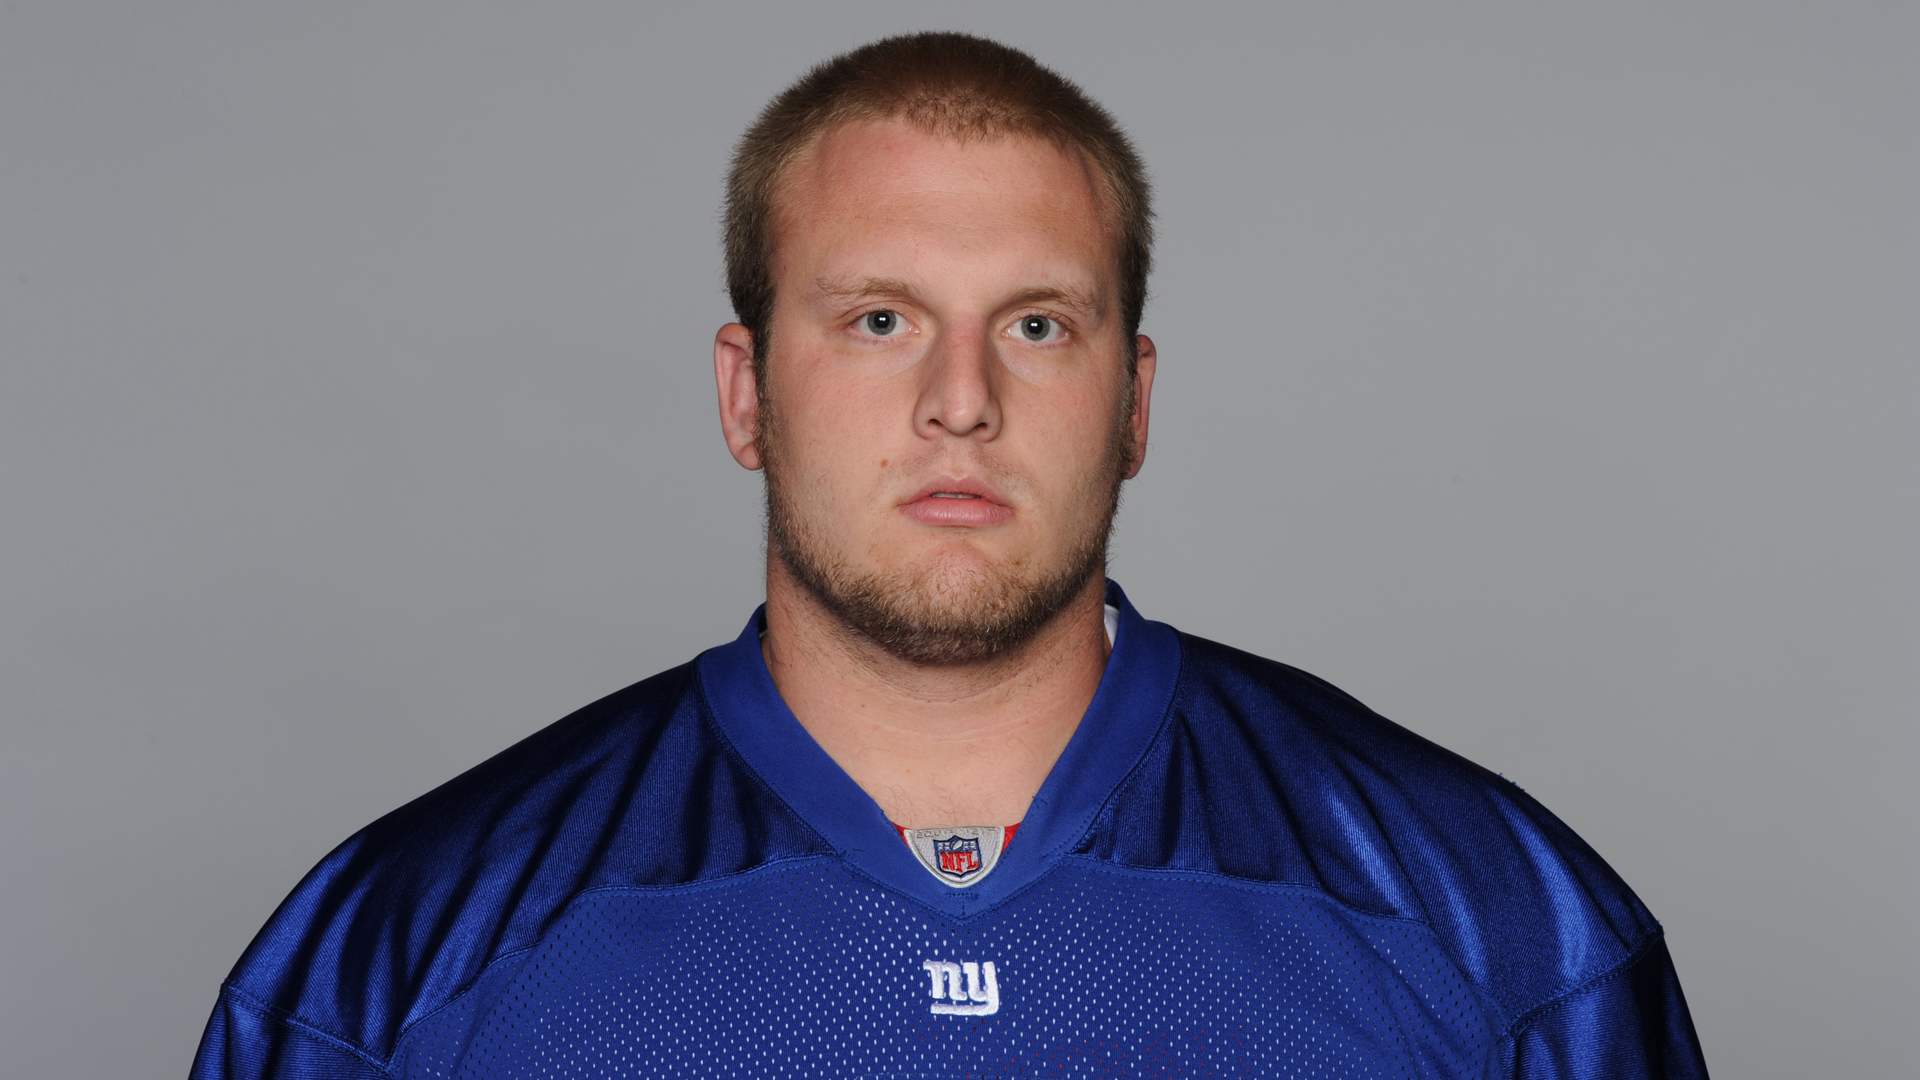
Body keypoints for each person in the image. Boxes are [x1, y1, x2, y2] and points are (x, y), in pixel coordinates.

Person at [191, 32, 1707, 1080]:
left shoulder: (1499, 919)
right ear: (744, 394)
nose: (961, 401)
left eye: (1038, 325)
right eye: (879, 321)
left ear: (1134, 401)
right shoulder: (400, 955)